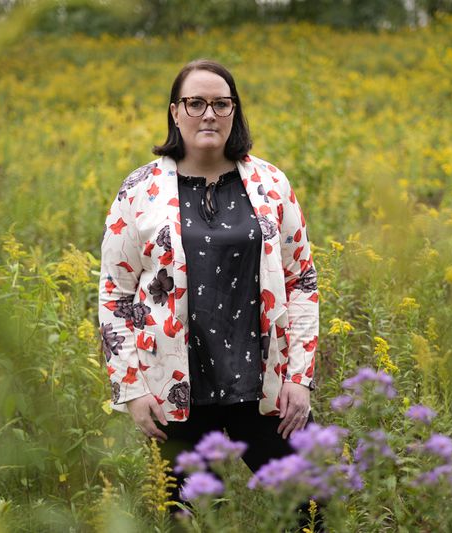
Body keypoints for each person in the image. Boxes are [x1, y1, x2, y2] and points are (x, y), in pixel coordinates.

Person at [98, 59, 320, 509]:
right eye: (195, 103)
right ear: (175, 112)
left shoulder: (271, 183)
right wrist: (134, 391)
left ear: (234, 111)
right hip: (175, 390)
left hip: (267, 386)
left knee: (315, 507)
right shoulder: (139, 189)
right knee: (187, 517)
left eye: (221, 103)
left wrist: (299, 377)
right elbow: (115, 294)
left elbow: (301, 280)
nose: (209, 114)